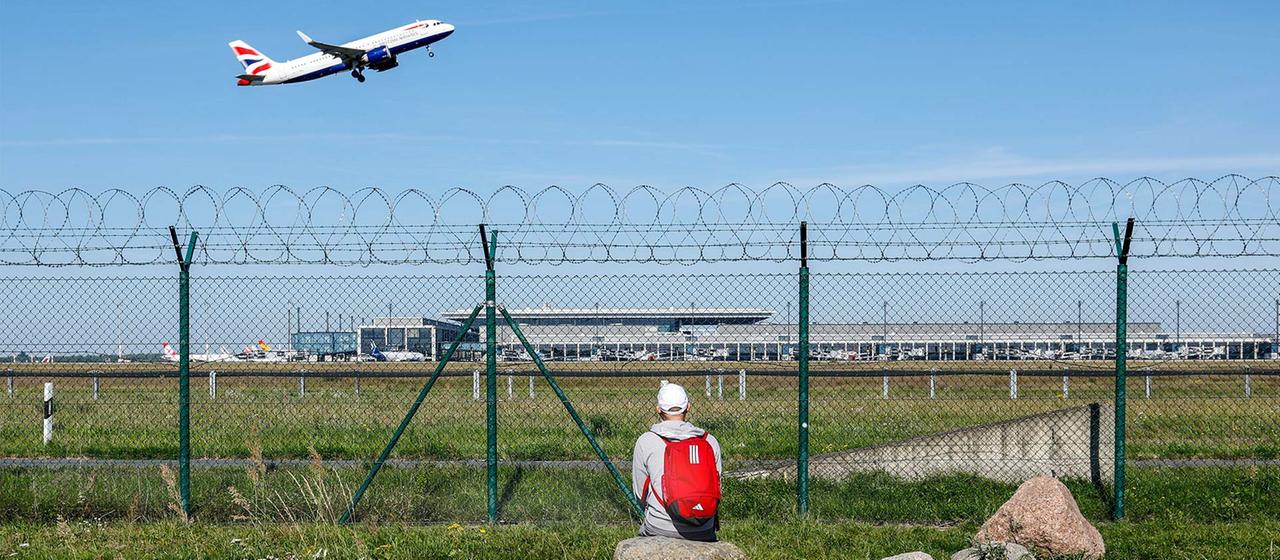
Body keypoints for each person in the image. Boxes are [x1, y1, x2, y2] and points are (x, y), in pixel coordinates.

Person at [631, 381, 722, 542]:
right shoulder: (709, 441)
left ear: (658, 409)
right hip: (704, 527)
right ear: (688, 407)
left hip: (658, 525)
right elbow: (716, 485)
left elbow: (640, 494)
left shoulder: (646, 441)